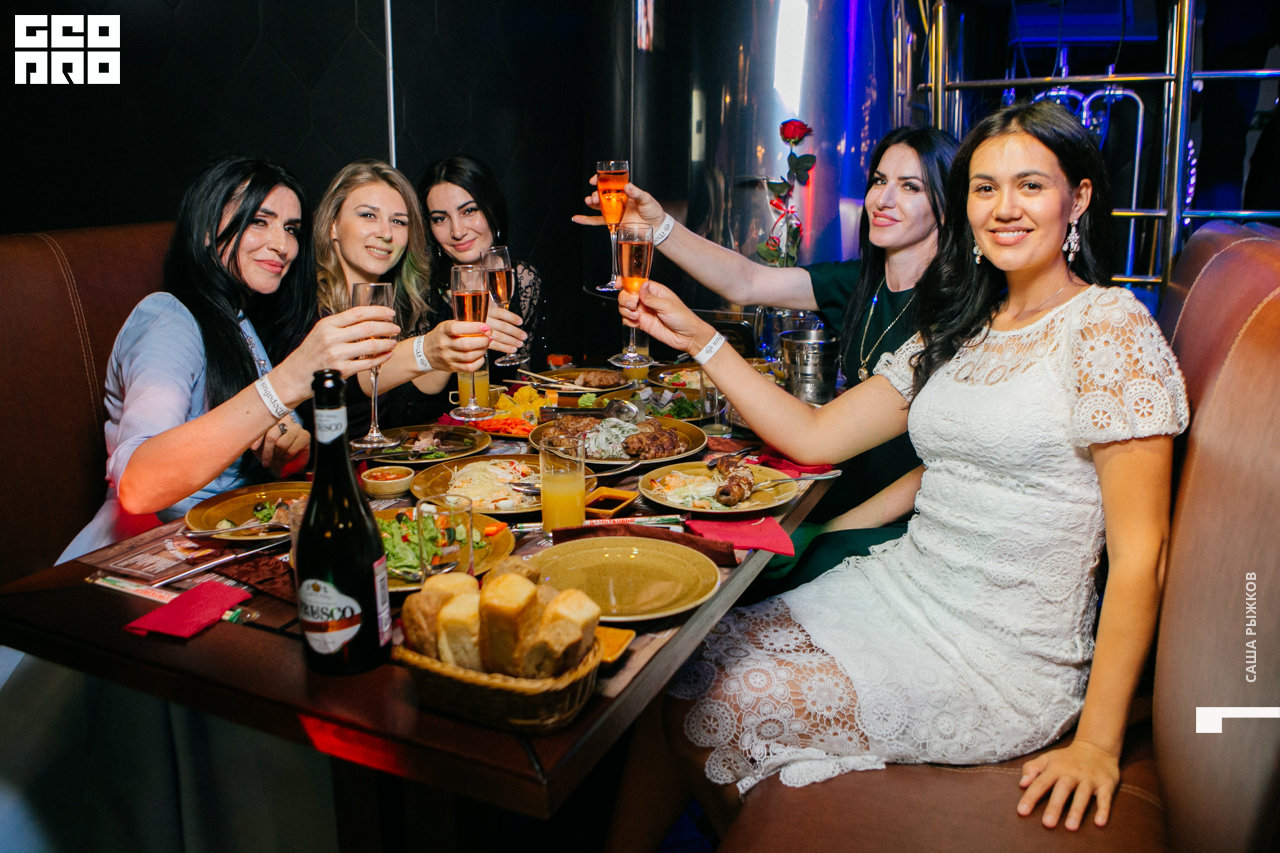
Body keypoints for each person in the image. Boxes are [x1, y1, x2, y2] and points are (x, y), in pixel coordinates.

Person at [604, 100, 1189, 850]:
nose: (1004, 208)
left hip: (999, 658)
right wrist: (700, 339)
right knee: (671, 665)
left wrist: (1098, 744)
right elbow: (814, 433)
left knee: (706, 696)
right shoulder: (959, 324)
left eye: (1030, 186)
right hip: (900, 587)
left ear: (1077, 199)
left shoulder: (1109, 327)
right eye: (985, 188)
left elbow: (1143, 555)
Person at [0, 155, 402, 853]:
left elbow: (239, 443)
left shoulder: (237, 323)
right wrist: (288, 383)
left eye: (291, 228)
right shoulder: (168, 319)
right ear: (206, 222)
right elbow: (140, 482)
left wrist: (286, 447)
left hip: (218, 559)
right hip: (134, 575)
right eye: (258, 221)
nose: (280, 243)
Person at [575, 128, 958, 583]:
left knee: (758, 579)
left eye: (910, 187)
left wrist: (830, 531)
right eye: (879, 181)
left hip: (892, 520)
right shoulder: (862, 284)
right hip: (836, 485)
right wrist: (659, 227)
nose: (883, 199)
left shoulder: (955, 313)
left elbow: (937, 469)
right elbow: (747, 282)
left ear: (946, 205)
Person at [309, 160, 524, 432]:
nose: (385, 233)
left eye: (398, 221)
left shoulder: (399, 301)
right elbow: (343, 379)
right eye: (368, 215)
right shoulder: (306, 305)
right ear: (332, 224)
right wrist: (432, 346)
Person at [419, 156, 543, 382]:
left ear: (492, 208)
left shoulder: (523, 278)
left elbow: (527, 376)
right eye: (440, 218)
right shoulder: (422, 288)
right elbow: (407, 397)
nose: (457, 231)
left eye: (469, 211)